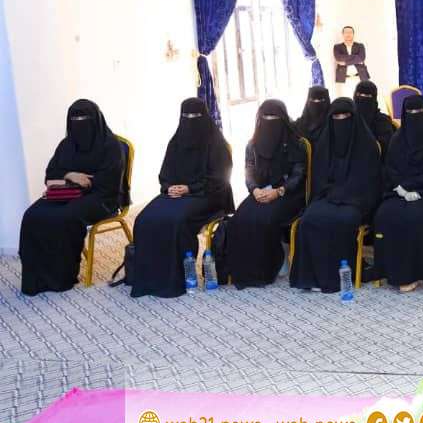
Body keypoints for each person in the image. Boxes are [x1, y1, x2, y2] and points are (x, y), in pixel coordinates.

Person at [129, 98, 234, 298]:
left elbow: (219, 179)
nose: (190, 121)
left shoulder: (216, 143)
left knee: (177, 220)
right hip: (176, 193)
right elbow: (165, 174)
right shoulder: (176, 141)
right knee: (144, 219)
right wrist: (169, 187)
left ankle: (179, 278)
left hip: (208, 195)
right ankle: (149, 278)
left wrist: (189, 188)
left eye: (195, 116)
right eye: (186, 116)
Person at [19, 100, 125, 295]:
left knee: (64, 218)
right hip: (66, 192)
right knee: (32, 215)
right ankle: (36, 277)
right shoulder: (66, 144)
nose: (80, 125)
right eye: (75, 120)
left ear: (96, 120)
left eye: (85, 119)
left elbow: (110, 183)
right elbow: (50, 174)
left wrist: (87, 182)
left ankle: (61, 277)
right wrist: (70, 175)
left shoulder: (111, 146)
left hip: (101, 197)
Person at [291, 98, 382, 292]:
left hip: (355, 200)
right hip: (328, 196)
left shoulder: (367, 145)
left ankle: (340, 276)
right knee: (308, 220)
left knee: (343, 220)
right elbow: (319, 179)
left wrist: (346, 194)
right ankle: (311, 278)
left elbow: (370, 182)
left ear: (354, 118)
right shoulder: (325, 144)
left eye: (345, 116)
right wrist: (331, 193)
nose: (340, 121)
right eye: (336, 117)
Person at [373, 95, 423, 292]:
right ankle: (390, 271)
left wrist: (414, 187)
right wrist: (401, 189)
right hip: (400, 192)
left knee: (415, 217)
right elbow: (391, 169)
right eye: (410, 112)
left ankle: (416, 273)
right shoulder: (397, 140)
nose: (415, 116)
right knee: (384, 214)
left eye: (419, 112)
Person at [224, 100, 307, 288]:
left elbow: (298, 175)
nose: (269, 121)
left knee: (266, 218)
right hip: (260, 192)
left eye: (274, 117)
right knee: (239, 220)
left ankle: (271, 265)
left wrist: (279, 191)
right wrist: (255, 190)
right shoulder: (252, 145)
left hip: (287, 194)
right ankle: (245, 272)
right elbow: (249, 172)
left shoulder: (296, 145)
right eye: (266, 117)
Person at [353, 80, 396, 155]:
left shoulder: (382, 121)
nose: (363, 99)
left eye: (368, 96)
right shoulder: (349, 120)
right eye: (359, 95)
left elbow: (386, 149)